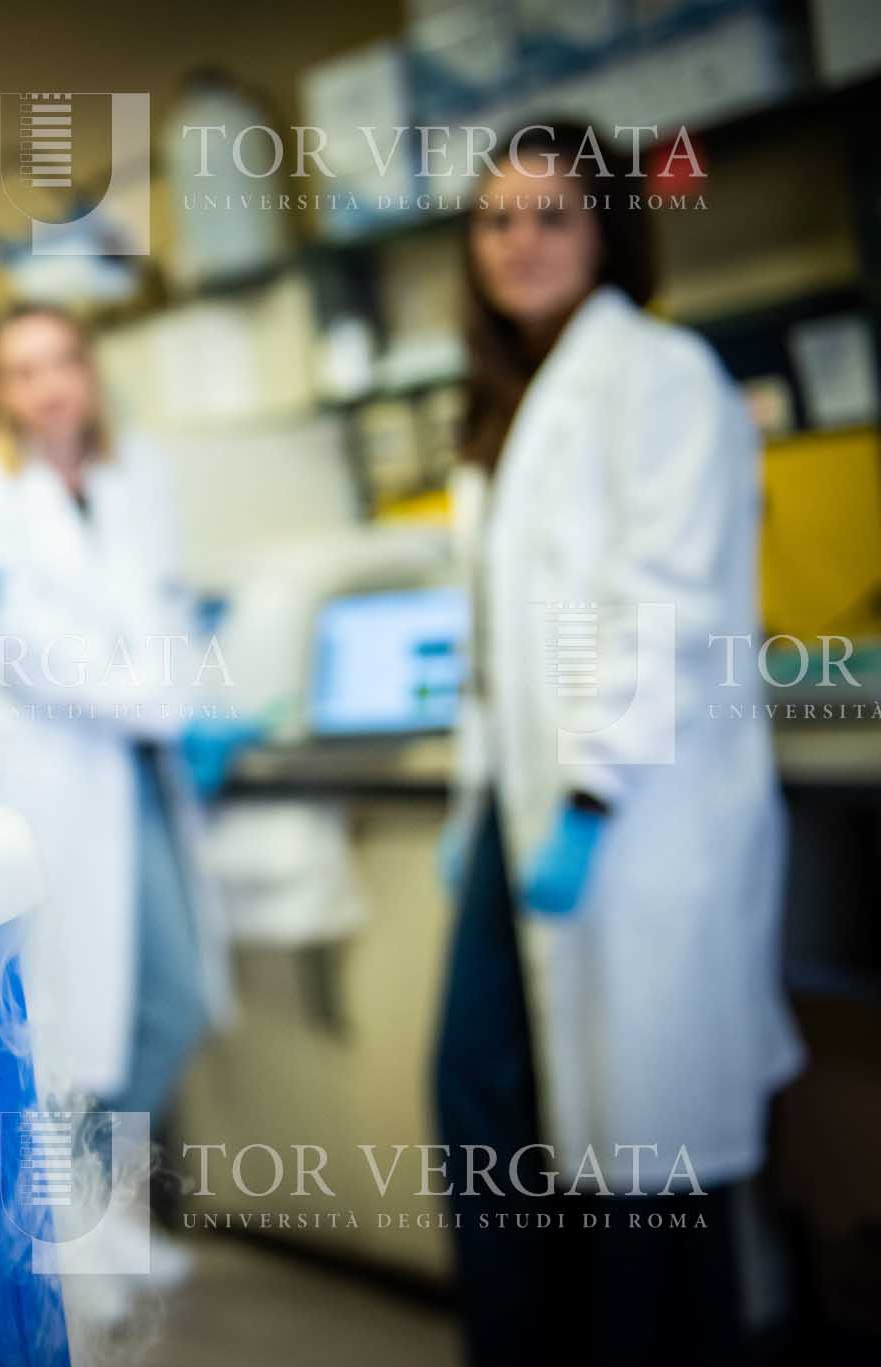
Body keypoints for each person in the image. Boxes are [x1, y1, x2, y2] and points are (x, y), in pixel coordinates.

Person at [434, 121, 804, 1366]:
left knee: (646, 1146)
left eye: (550, 214)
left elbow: (668, 606)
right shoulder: (502, 409)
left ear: (605, 230)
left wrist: (591, 798)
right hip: (524, 807)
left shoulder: (659, 373)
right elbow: (495, 643)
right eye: (495, 217)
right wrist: (476, 802)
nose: (518, 241)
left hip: (627, 810)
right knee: (485, 1093)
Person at [0, 303, 261, 1124]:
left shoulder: (133, 471)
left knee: (167, 1004)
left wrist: (197, 703)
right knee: (79, 1031)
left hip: (141, 767)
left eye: (62, 361)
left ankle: (104, 1190)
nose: (48, 386)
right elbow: (26, 649)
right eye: (23, 371)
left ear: (90, 369)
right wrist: (169, 712)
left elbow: (167, 607)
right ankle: (90, 1197)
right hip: (56, 780)